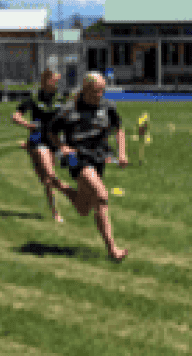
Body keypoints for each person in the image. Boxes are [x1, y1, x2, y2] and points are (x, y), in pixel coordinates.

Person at [46, 72, 129, 262]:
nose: (99, 94)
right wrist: (61, 147)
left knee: (84, 208)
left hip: (98, 158)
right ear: (84, 89)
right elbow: (50, 133)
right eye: (95, 91)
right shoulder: (68, 109)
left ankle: (60, 186)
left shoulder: (108, 107)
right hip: (75, 158)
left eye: (102, 90)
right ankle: (112, 250)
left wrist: (122, 153)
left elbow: (119, 129)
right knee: (101, 196)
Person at [10, 69, 73, 224]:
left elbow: (69, 116)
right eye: (55, 80)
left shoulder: (61, 98)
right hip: (38, 140)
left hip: (53, 141)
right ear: (45, 81)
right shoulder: (34, 98)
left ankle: (55, 213)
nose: (57, 83)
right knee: (50, 175)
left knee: (46, 181)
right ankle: (73, 194)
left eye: (58, 80)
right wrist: (28, 124)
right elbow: (15, 116)